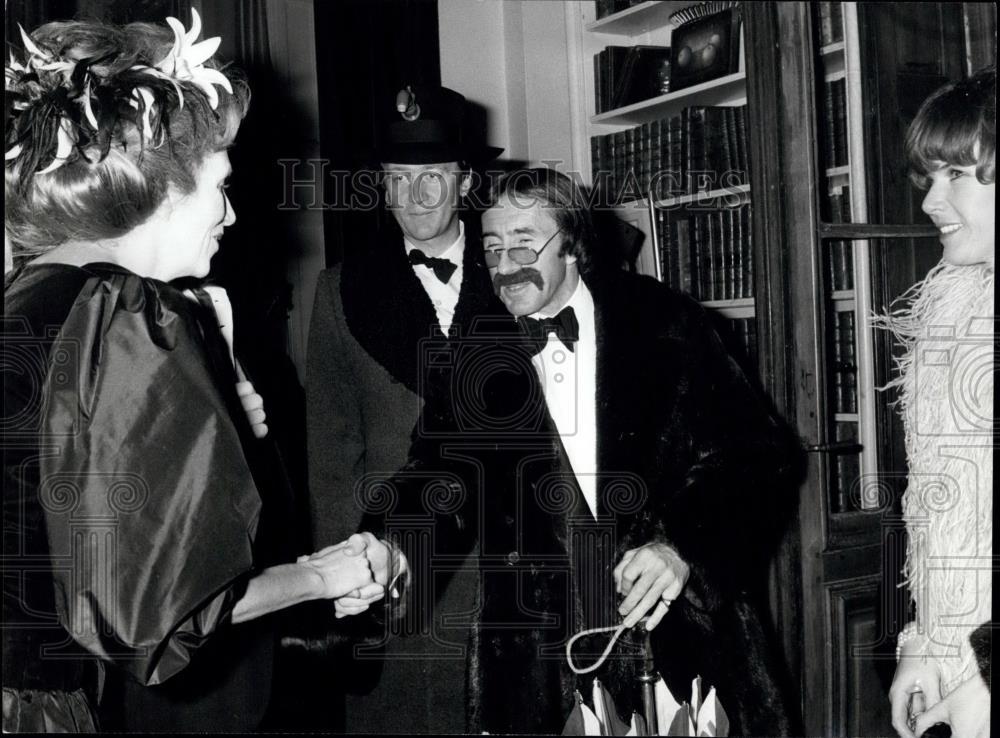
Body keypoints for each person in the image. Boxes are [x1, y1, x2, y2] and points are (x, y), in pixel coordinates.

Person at [2, 13, 383, 732]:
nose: (232, 214)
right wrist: (321, 576)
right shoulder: (129, 314)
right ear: (164, 188)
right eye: (222, 186)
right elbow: (160, 617)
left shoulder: (29, 295)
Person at [367, 167, 803, 733]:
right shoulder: (475, 355)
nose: (504, 267)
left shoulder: (667, 324)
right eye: (493, 247)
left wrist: (681, 547)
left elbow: (759, 456)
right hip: (538, 661)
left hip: (679, 636)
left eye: (524, 243)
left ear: (572, 246)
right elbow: (438, 473)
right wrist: (395, 546)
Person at [304, 84, 503, 733]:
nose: (415, 197)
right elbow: (331, 457)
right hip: (398, 565)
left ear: (466, 180)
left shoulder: (518, 269)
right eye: (398, 179)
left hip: (509, 562)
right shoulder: (340, 291)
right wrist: (353, 576)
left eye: (433, 178)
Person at [882, 66, 994, 738]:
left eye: (956, 174)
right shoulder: (951, 312)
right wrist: (922, 640)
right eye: (930, 176)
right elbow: (934, 510)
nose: (929, 200)